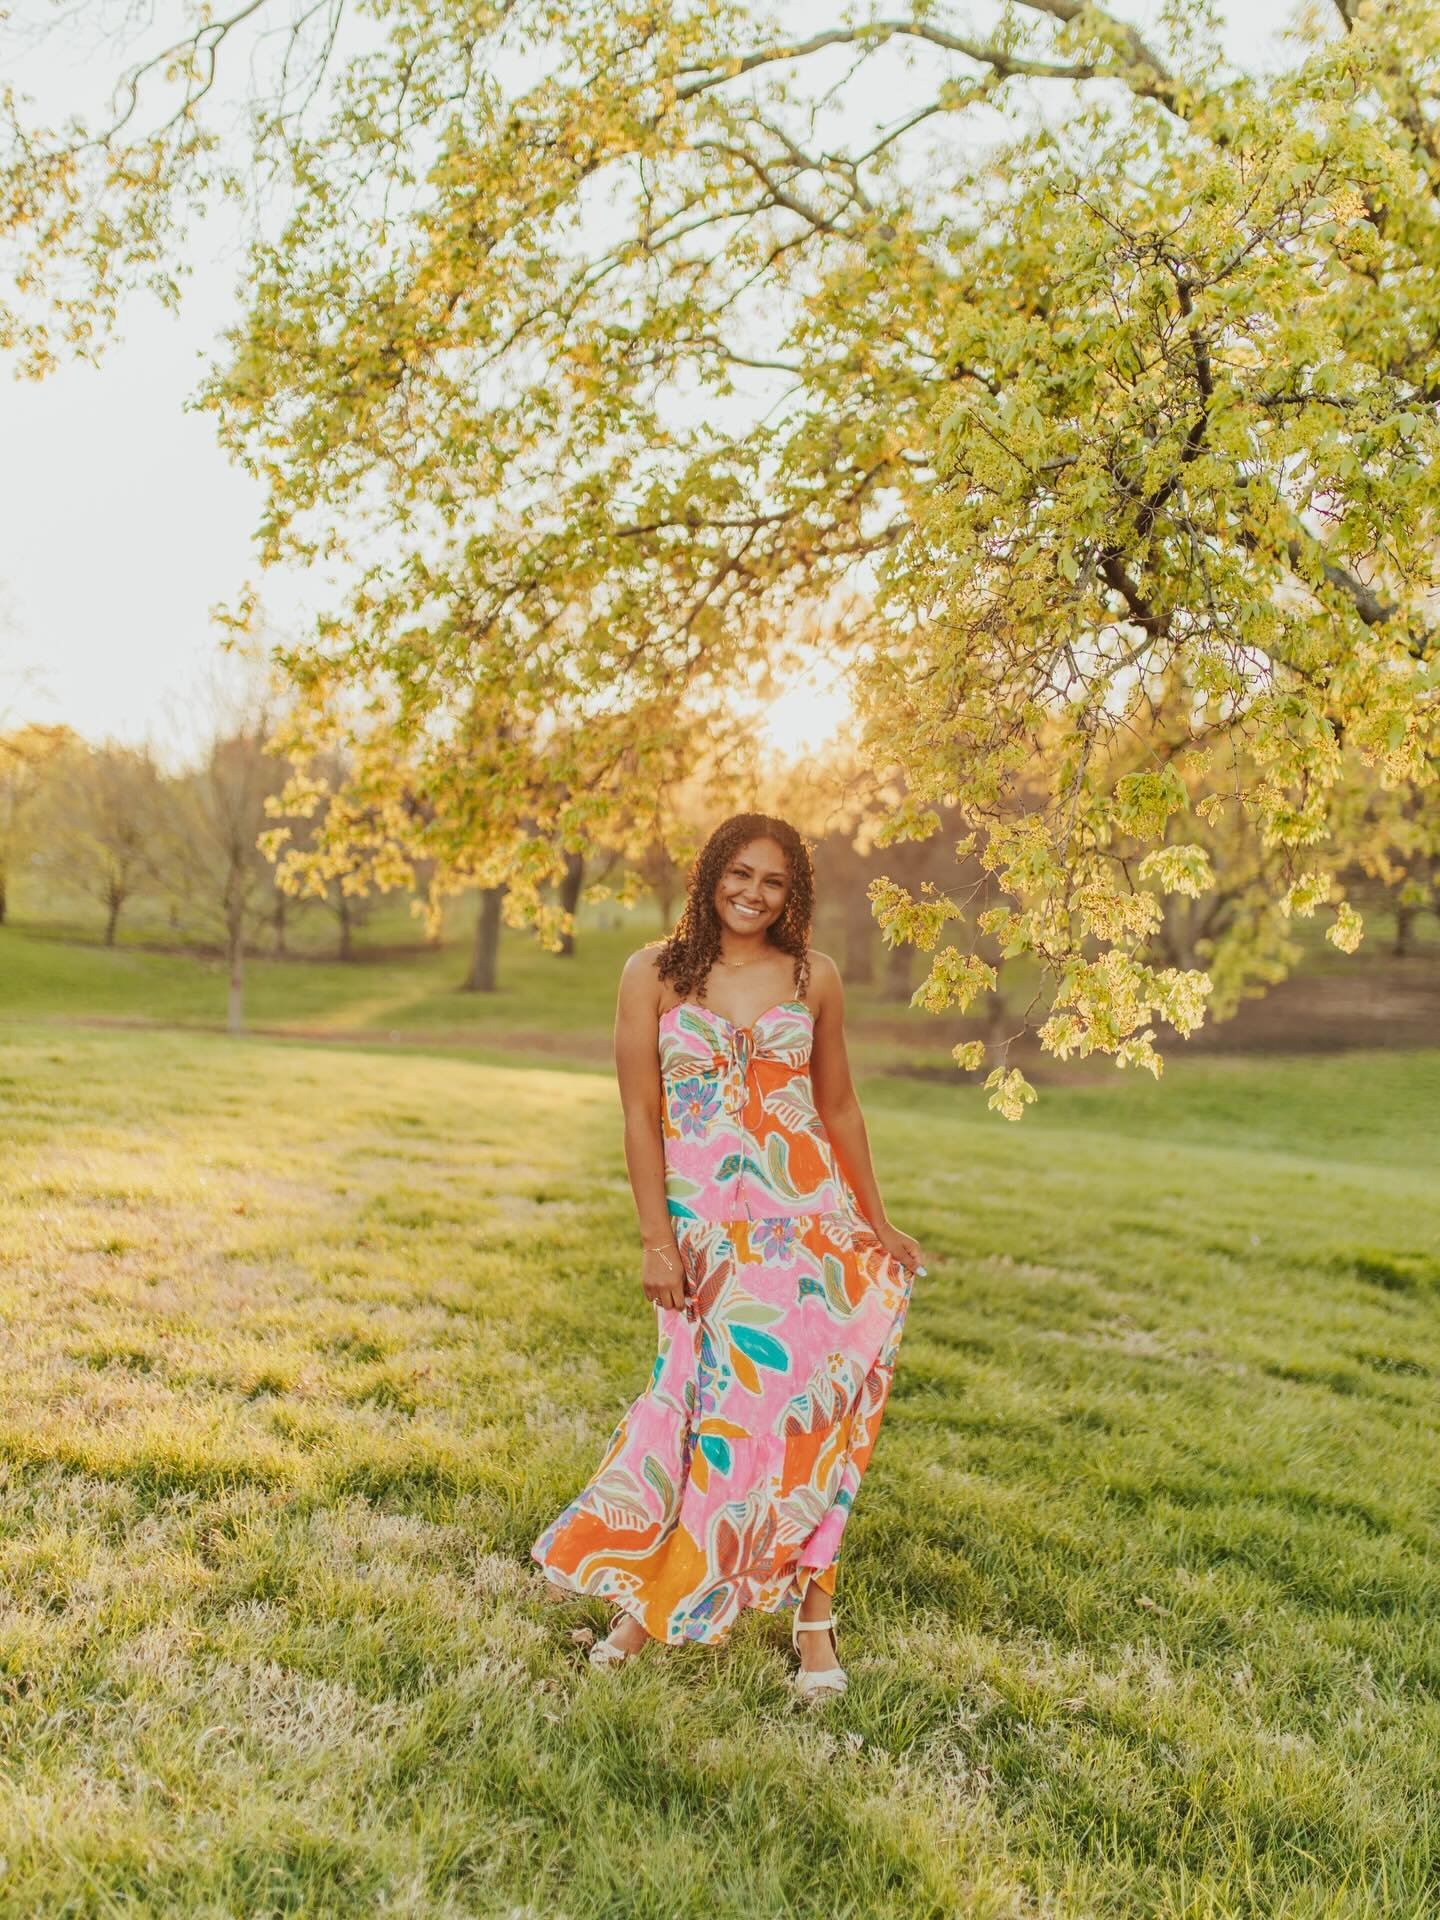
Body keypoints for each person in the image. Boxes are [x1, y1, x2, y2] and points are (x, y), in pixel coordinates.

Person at [531, 811, 927, 1700]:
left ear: (795, 895)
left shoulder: (812, 977)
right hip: (706, 1232)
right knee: (705, 1411)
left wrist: (880, 1222)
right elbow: (639, 1115)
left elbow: (840, 1108)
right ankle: (657, 1598)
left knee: (816, 1413)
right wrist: (655, 1240)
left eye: (774, 881)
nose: (753, 892)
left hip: (809, 1225)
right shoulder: (655, 973)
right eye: (740, 873)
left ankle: (814, 1615)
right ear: (711, 873)